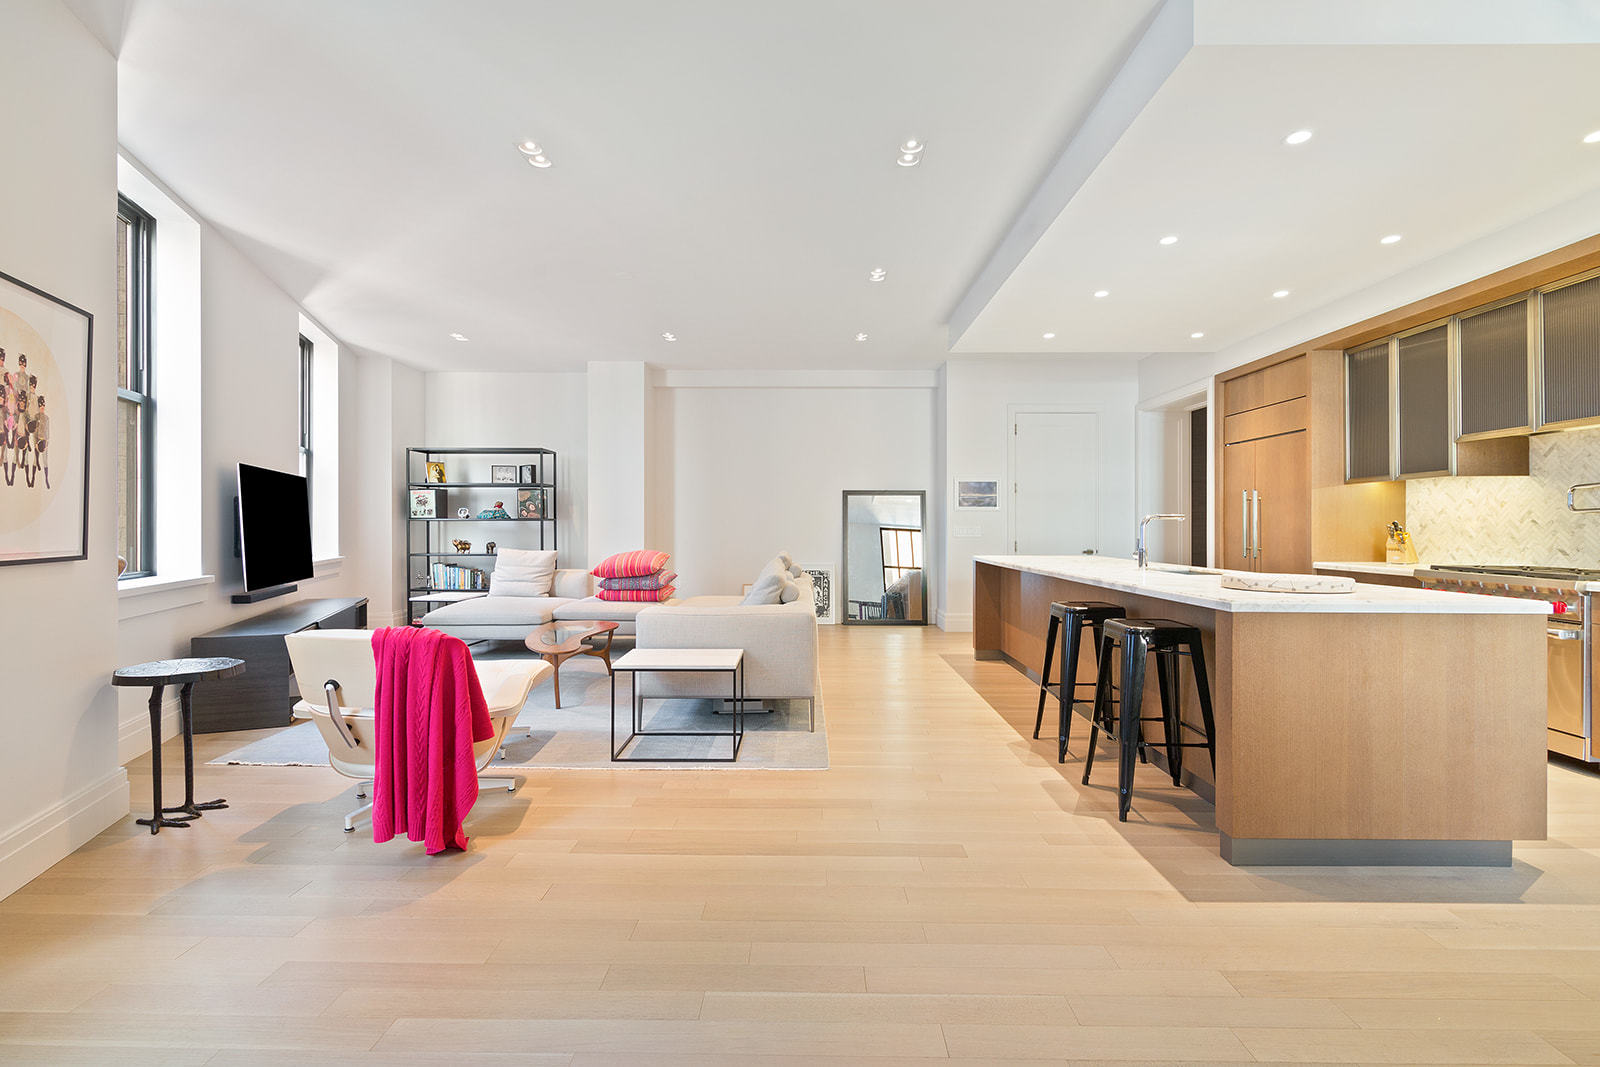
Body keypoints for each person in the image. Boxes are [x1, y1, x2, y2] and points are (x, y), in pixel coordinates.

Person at [30, 395, 48, 489]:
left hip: (44, 441)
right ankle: (32, 478)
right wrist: (36, 443)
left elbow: (48, 433)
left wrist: (46, 444)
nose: (42, 406)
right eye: (40, 404)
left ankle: (46, 480)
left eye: (43, 404)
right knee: (35, 460)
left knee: (45, 460)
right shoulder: (36, 417)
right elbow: (34, 431)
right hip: (37, 440)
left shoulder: (46, 418)